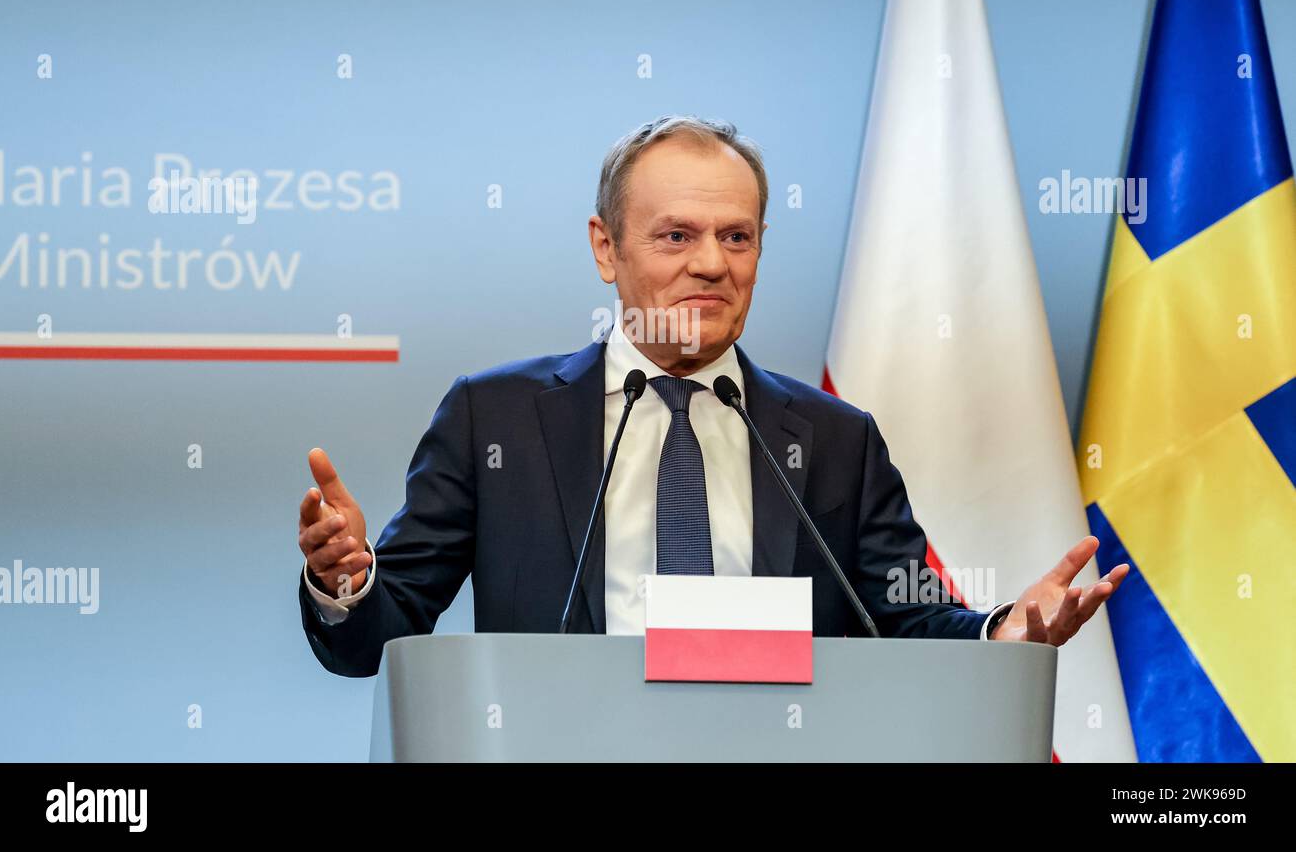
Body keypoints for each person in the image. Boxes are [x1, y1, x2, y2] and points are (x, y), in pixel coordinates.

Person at [297, 114, 1128, 678]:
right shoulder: (497, 418)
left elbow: (906, 622)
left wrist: (1004, 630)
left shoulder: (835, 439)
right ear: (605, 248)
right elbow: (383, 632)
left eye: (737, 237)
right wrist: (347, 583)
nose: (712, 263)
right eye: (676, 236)